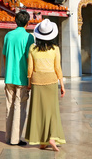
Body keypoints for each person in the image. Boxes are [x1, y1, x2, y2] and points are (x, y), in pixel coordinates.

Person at [25, 19, 66, 152]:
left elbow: (30, 68)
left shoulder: (32, 48)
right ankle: (51, 138)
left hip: (37, 81)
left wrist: (29, 84)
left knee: (38, 111)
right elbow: (58, 68)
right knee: (52, 111)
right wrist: (62, 85)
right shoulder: (55, 49)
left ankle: (42, 140)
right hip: (51, 81)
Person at [3, 10, 34, 146]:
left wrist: (8, 70)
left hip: (9, 77)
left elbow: (4, 55)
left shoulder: (8, 36)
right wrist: (30, 80)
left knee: (9, 106)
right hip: (22, 78)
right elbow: (30, 59)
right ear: (27, 23)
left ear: (15, 21)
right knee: (19, 107)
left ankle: (9, 136)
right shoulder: (29, 38)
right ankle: (15, 139)